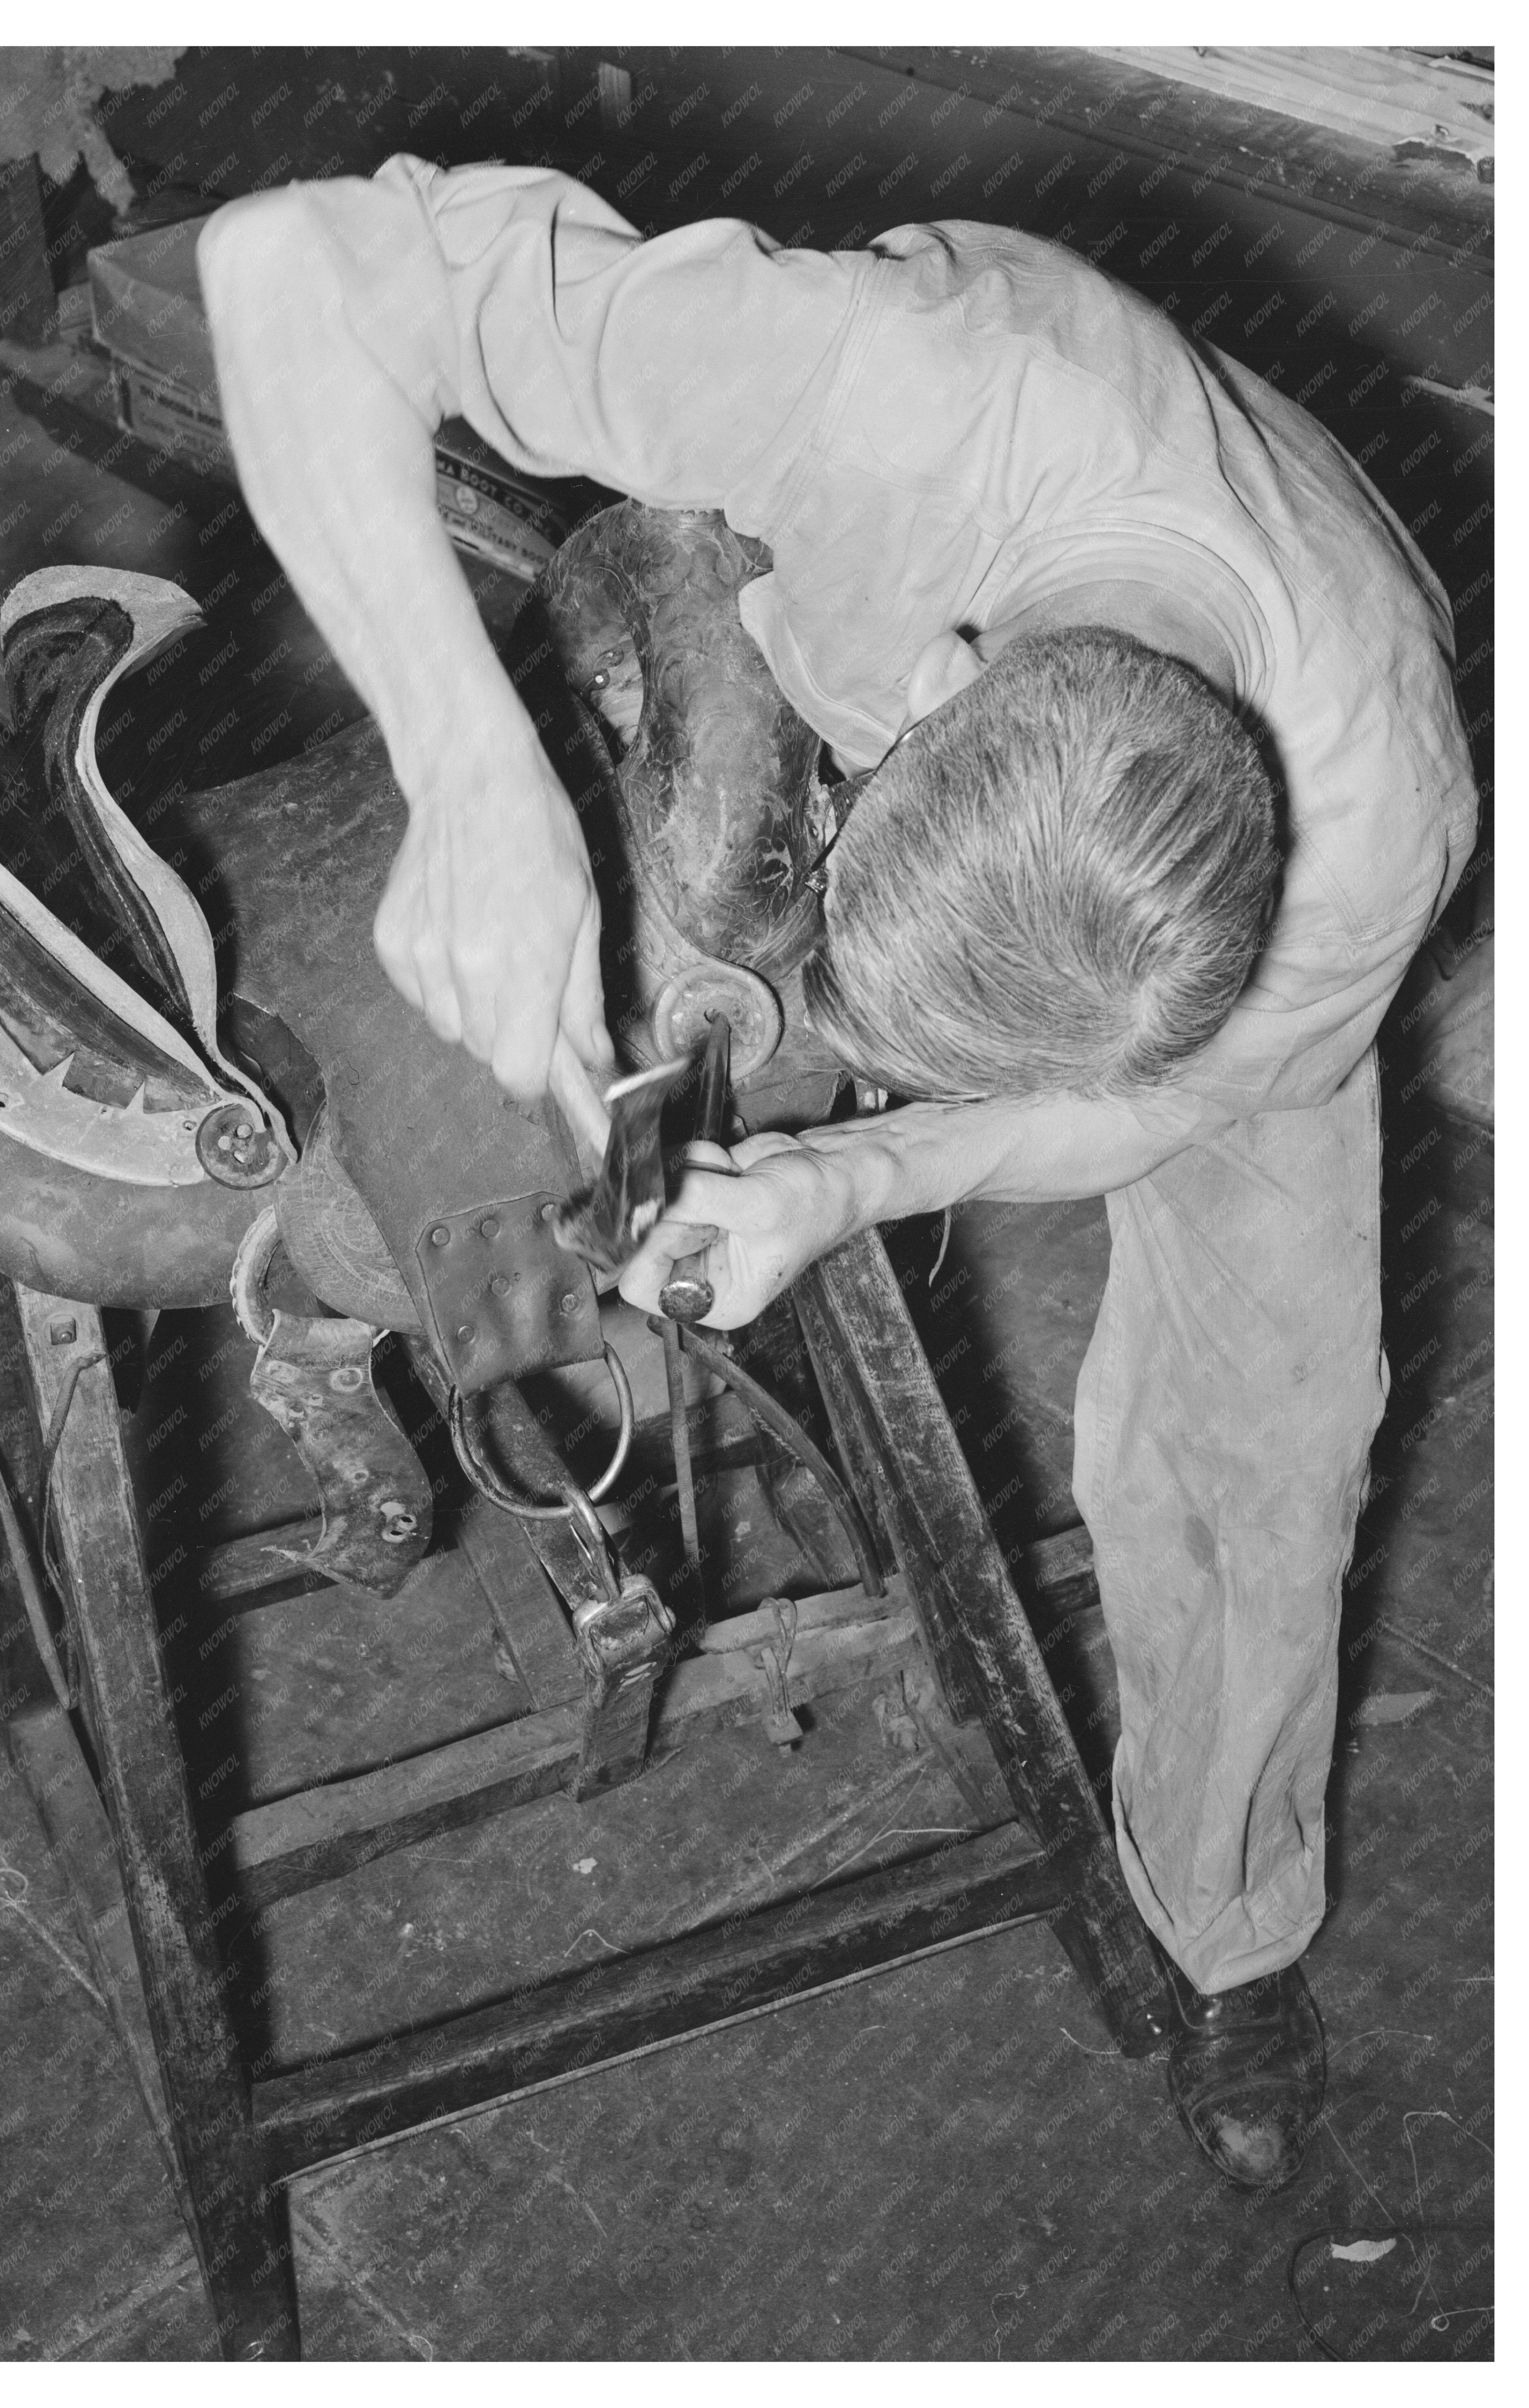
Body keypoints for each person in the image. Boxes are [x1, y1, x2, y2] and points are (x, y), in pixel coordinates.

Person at [195, 157, 1477, 2188]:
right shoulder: (883, 395)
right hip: (912, 508)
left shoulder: (1375, 825)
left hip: (1255, 782)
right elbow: (281, 257)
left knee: (1279, 1435)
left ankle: (1235, 1916)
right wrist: (466, 768)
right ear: (938, 693)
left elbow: (1153, 1106)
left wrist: (851, 1183)